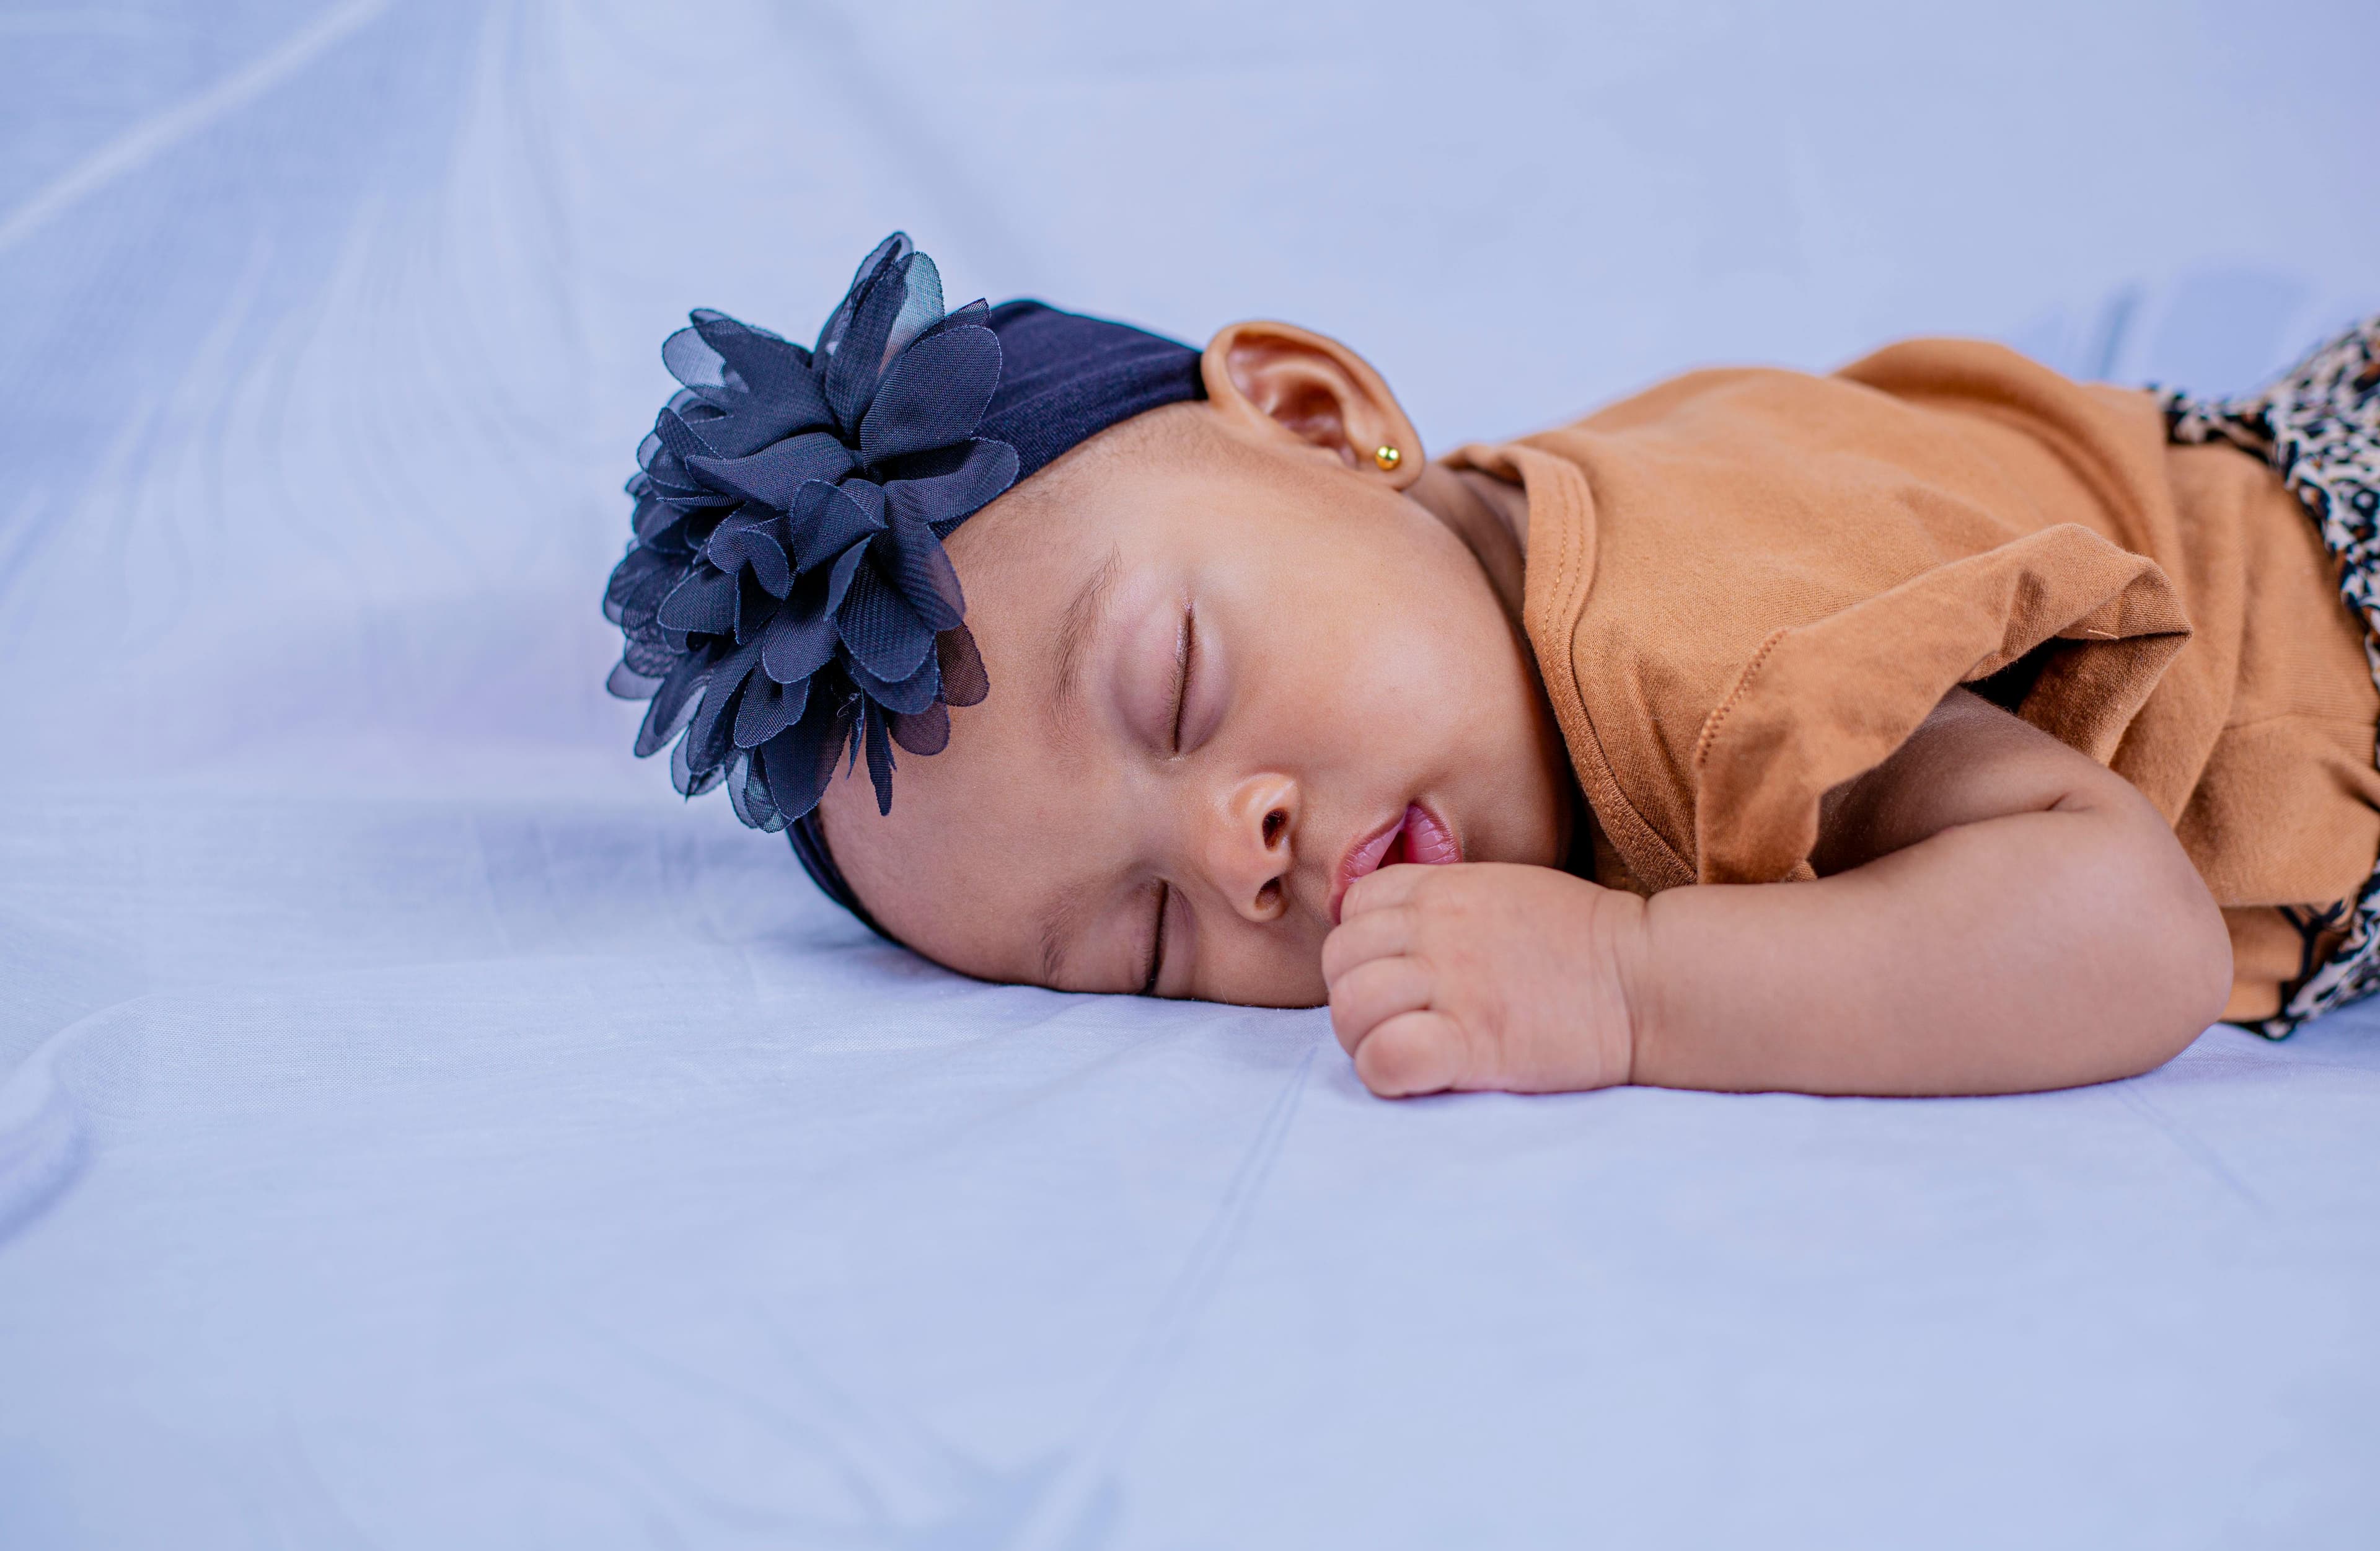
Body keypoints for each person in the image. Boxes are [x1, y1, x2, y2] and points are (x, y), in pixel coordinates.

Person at [603, 234, 2380, 1098]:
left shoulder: (1709, 650)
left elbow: (2119, 929)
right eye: (1142, 945)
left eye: (1177, 690)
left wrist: (1631, 986)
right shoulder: (1474, 573)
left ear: (1319, 415)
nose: (1241, 855)